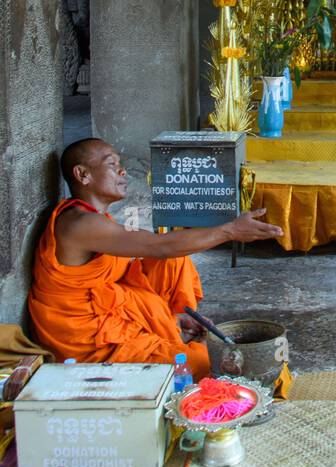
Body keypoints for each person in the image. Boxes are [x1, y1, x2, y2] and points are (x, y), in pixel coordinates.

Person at [29, 138, 283, 378]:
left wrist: (171, 318)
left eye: (120, 164)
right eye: (111, 164)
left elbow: (140, 268)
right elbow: (157, 246)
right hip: (92, 342)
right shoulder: (80, 224)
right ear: (83, 174)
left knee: (173, 261)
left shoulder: (95, 217)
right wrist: (229, 230)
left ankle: (170, 328)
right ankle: (168, 341)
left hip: (111, 313)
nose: (122, 172)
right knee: (211, 361)